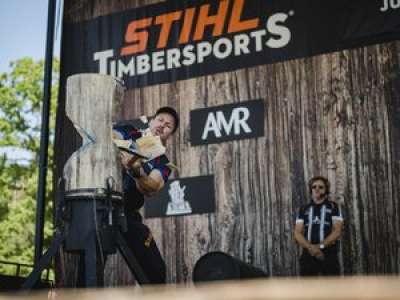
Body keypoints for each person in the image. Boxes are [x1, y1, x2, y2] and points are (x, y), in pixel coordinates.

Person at [113, 106, 179, 284]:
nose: (162, 125)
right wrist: (121, 150)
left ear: (169, 135)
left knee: (156, 272)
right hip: (100, 205)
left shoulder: (163, 163)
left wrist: (137, 173)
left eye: (168, 126)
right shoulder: (128, 130)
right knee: (88, 267)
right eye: (160, 120)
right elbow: (109, 137)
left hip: (127, 214)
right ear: (151, 121)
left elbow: (153, 186)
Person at [294, 176, 344, 276]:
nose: (317, 189)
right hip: (308, 253)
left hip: (328, 253)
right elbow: (297, 233)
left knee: (332, 288)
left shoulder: (333, 207)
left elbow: (337, 231)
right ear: (310, 189)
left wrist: (320, 246)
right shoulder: (304, 208)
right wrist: (311, 248)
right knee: (307, 288)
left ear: (326, 190)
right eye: (314, 187)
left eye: (321, 187)